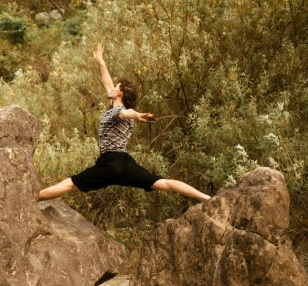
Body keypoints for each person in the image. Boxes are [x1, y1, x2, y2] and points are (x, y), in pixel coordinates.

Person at [38, 43, 210, 202]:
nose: (111, 88)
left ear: (119, 94)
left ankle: (32, 198)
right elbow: (107, 83)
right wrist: (101, 61)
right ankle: (206, 198)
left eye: (116, 87)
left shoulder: (118, 111)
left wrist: (137, 115)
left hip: (109, 163)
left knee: (69, 184)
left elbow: (127, 113)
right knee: (162, 183)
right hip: (125, 164)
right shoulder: (115, 104)